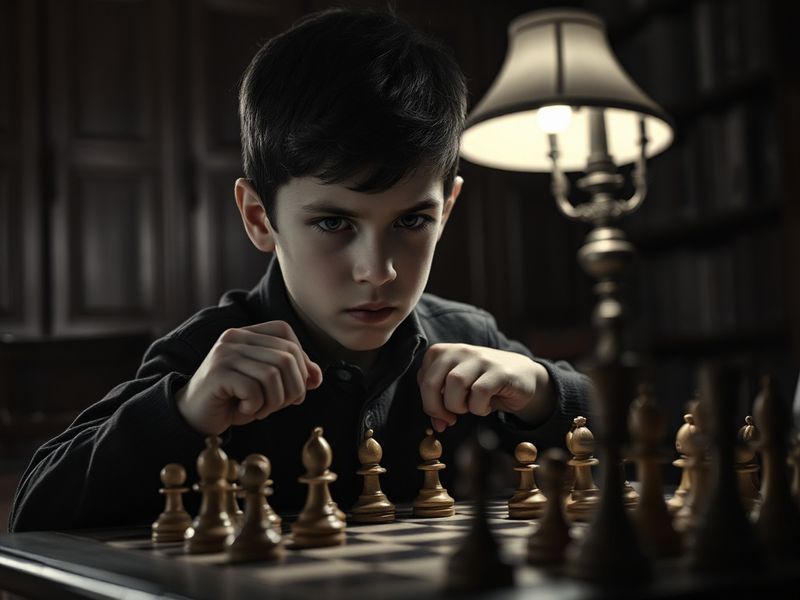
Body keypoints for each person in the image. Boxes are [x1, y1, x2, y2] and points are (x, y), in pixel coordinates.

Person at [10, 7, 591, 532]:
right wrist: (185, 412)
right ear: (260, 217)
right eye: (334, 224)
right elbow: (34, 508)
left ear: (449, 210)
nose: (377, 272)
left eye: (412, 222)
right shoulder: (207, 356)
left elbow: (651, 448)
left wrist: (542, 392)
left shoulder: (471, 339)